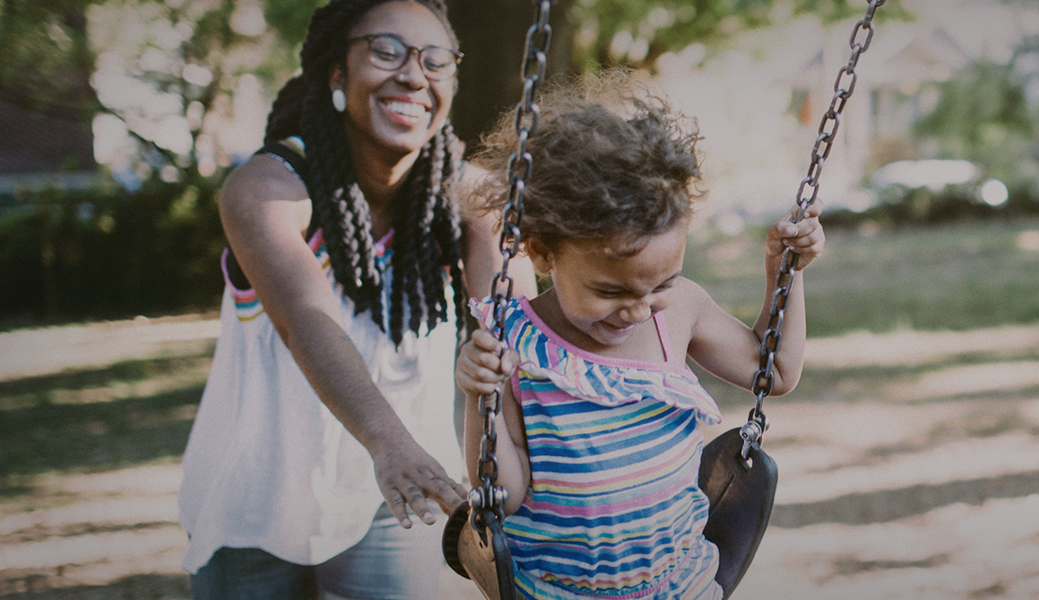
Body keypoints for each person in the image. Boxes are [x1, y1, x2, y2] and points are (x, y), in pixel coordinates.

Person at [177, 0, 534, 597]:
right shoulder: (266, 190)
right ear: (336, 74)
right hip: (256, 495)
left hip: (404, 489)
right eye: (386, 51)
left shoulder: (472, 202)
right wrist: (385, 442)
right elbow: (307, 321)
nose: (414, 75)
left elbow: (515, 325)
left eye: (435, 59)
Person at [455, 71, 826, 600]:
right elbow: (505, 495)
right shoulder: (513, 343)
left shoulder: (679, 315)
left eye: (662, 283)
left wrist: (786, 272)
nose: (637, 308)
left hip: (681, 585)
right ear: (540, 252)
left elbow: (777, 371)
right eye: (609, 290)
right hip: (559, 593)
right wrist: (480, 398)